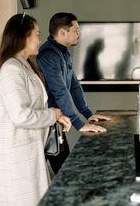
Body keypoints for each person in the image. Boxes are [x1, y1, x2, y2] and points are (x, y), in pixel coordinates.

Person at [0, 13, 72, 206]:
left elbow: (32, 106)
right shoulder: (11, 69)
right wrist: (53, 114)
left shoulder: (23, 65)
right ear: (23, 37)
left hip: (28, 150)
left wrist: (56, 115)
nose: (40, 39)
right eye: (36, 34)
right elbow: (20, 115)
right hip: (15, 155)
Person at [37, 12, 111, 174]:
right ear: (63, 32)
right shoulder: (48, 55)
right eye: (76, 30)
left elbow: (73, 86)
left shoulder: (62, 53)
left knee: (65, 171)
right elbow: (60, 91)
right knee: (62, 173)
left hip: (57, 121)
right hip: (45, 122)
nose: (79, 33)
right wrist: (79, 124)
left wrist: (87, 113)